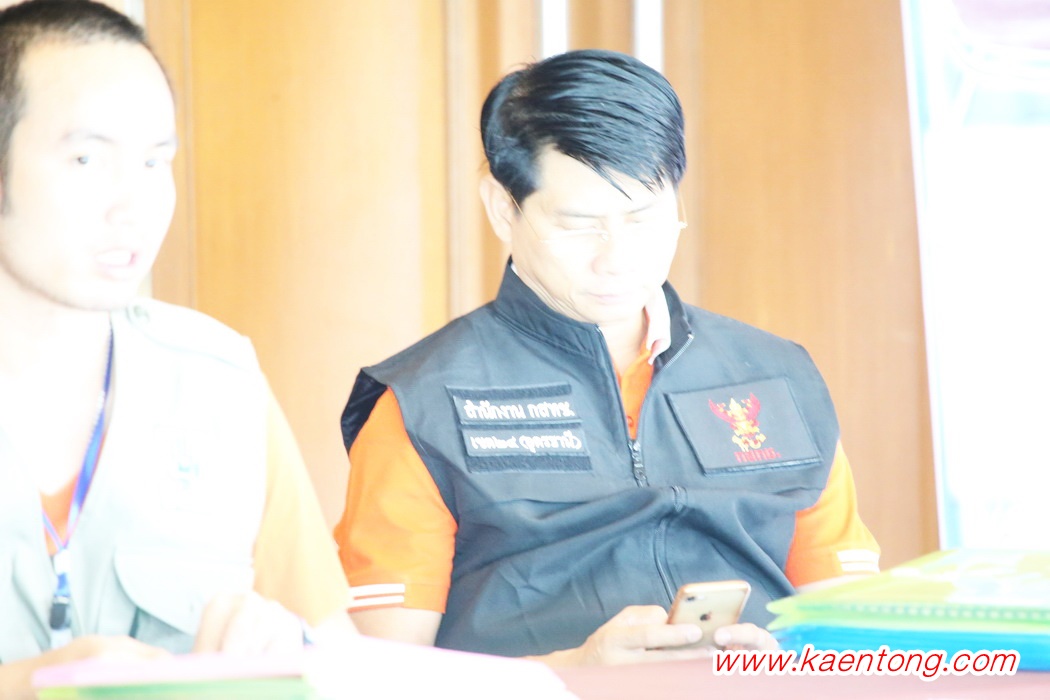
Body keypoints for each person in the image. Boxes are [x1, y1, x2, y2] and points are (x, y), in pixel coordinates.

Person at [334, 48, 880, 665]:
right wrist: (572, 673)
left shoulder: (776, 379)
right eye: (578, 224)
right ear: (503, 209)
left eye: (643, 218)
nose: (617, 258)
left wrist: (776, 665)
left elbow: (857, 646)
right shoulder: (422, 403)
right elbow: (382, 676)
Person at [0, 1, 353, 696]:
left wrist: (284, 649)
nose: (133, 205)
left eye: (155, 161)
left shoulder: (219, 380)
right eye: (85, 158)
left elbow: (336, 655)